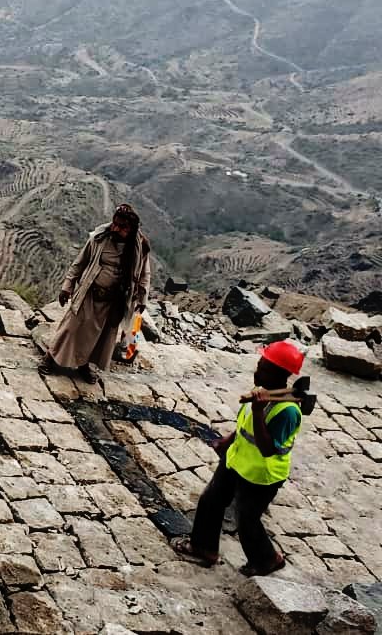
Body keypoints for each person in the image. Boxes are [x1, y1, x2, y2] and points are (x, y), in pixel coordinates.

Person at [173, 340, 307, 576]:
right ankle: (203, 548)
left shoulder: (287, 410)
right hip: (236, 460)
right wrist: (229, 439)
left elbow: (267, 448)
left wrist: (257, 412)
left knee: (247, 520)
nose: (257, 370)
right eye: (259, 364)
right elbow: (245, 425)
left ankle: (267, 560)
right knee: (211, 500)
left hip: (260, 475)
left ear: (279, 374)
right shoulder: (262, 392)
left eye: (264, 367)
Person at [39, 204, 151, 384]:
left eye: (122, 227)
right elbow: (80, 262)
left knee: (100, 335)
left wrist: (142, 298)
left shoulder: (140, 247)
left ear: (131, 229)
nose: (115, 229)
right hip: (90, 292)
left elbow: (144, 274)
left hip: (115, 299)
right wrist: (67, 286)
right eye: (115, 224)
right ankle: (50, 358)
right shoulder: (99, 238)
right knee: (72, 327)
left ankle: (84, 365)